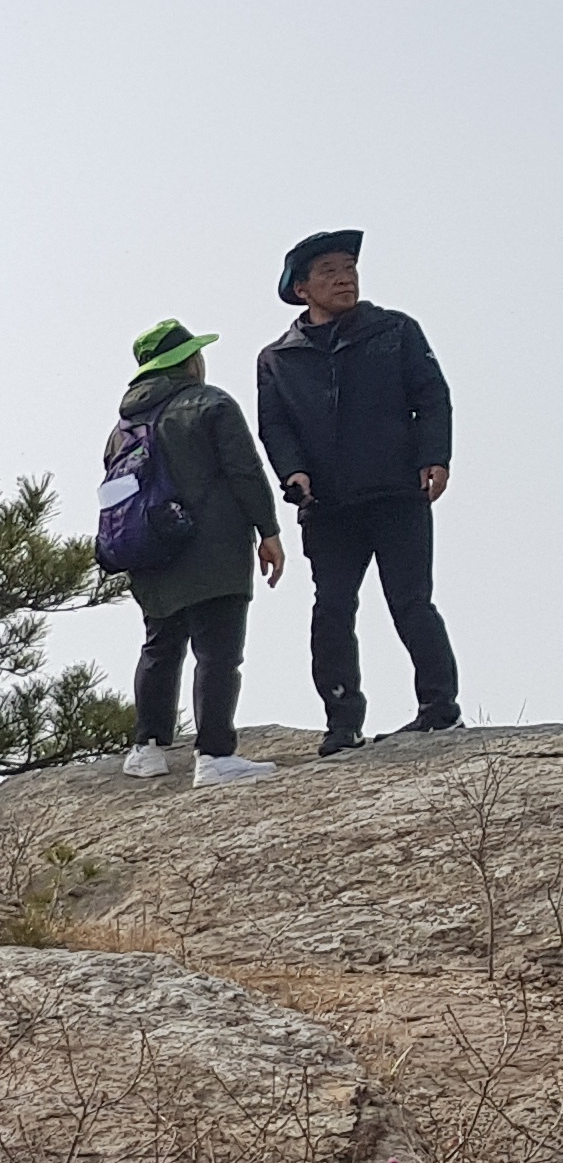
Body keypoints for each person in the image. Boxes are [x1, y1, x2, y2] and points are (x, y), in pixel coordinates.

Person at [257, 230, 458, 750]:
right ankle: (342, 723)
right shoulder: (278, 358)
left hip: (396, 491)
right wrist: (293, 474)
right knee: (333, 608)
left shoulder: (395, 330)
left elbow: (431, 396)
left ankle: (440, 709)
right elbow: (275, 427)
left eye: (349, 267)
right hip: (327, 506)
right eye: (329, 270)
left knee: (412, 601)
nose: (345, 277)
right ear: (301, 288)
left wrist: (435, 455)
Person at [109, 317, 285, 785]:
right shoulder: (210, 403)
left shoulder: (124, 425)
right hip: (214, 547)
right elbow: (244, 470)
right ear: (189, 361)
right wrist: (268, 530)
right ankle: (214, 755)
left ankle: (147, 748)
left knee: (160, 645)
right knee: (218, 652)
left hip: (149, 548)